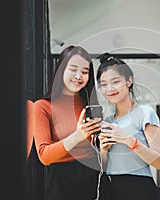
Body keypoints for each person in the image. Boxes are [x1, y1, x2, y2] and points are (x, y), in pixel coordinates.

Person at [34, 45, 110, 200]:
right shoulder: (42, 106)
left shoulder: (90, 105)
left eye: (85, 71)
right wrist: (77, 135)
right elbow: (44, 156)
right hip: (62, 184)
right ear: (61, 69)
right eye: (73, 69)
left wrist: (104, 148)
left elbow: (100, 156)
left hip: (95, 182)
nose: (78, 76)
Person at [97, 53, 160, 200]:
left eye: (115, 81)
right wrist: (103, 151)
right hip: (110, 189)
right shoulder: (107, 121)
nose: (109, 89)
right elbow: (103, 168)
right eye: (103, 84)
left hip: (139, 190)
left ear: (129, 81)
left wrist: (130, 140)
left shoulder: (145, 113)